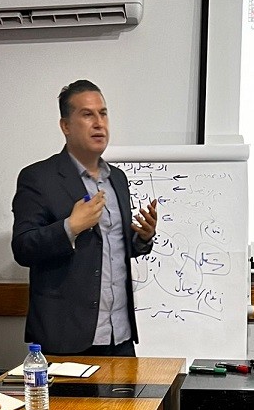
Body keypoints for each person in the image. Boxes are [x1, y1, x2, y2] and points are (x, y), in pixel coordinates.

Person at [11, 79, 158, 356]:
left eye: (103, 114)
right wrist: (70, 227)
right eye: (87, 115)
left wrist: (141, 238)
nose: (99, 123)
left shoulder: (117, 179)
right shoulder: (39, 178)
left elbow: (110, 247)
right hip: (67, 338)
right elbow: (23, 248)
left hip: (120, 337)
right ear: (65, 126)